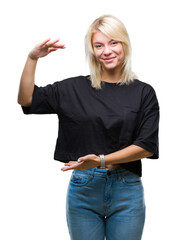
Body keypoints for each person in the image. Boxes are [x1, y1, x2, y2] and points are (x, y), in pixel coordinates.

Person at [18, 15, 159, 240]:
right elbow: (26, 100)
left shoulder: (143, 93)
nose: (107, 51)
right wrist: (32, 58)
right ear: (92, 50)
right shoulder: (73, 88)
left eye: (114, 42)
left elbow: (146, 146)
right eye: (99, 45)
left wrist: (102, 160)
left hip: (127, 190)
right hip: (84, 190)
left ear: (125, 44)